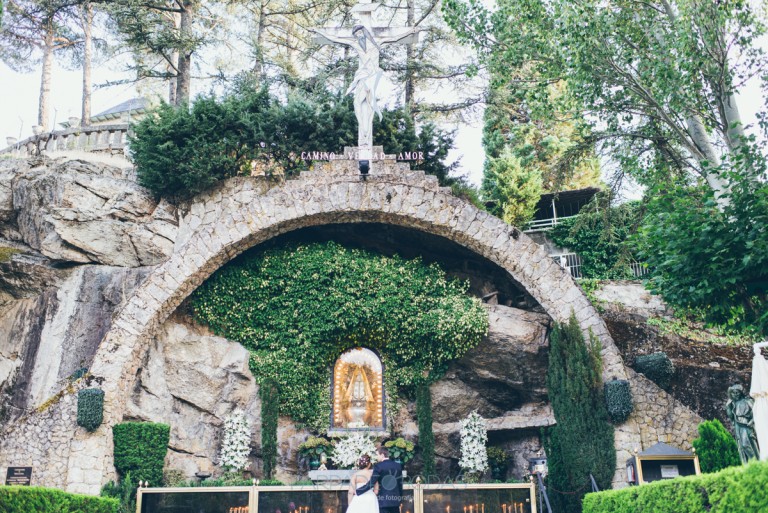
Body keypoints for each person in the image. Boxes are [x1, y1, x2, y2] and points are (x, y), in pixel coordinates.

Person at [356, 446, 403, 513]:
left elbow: (372, 483)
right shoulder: (397, 466)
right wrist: (400, 499)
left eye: (377, 455)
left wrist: (358, 491)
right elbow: (400, 484)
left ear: (382, 455)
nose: (376, 457)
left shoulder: (378, 466)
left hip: (383, 501)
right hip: (395, 501)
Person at [726, 384, 761, 463]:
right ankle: (748, 465)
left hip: (746, 425)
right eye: (733, 393)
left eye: (737, 392)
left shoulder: (747, 401)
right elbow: (731, 417)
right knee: (741, 447)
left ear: (741, 392)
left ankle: (755, 462)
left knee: (746, 445)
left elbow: (755, 413)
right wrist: (728, 406)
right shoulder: (733, 404)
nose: (735, 395)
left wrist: (751, 422)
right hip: (738, 427)